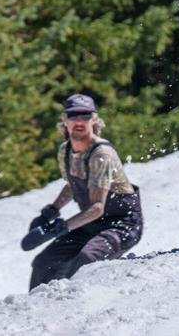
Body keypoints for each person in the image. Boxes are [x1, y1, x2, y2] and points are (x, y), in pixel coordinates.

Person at [21, 94, 143, 290]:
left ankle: (74, 309)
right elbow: (73, 184)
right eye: (73, 115)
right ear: (64, 120)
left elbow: (96, 208)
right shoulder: (65, 151)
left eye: (85, 115)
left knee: (86, 260)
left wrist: (56, 229)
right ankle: (33, 309)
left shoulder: (101, 154)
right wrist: (50, 211)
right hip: (91, 224)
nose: (79, 121)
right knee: (43, 263)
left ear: (94, 119)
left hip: (121, 225)